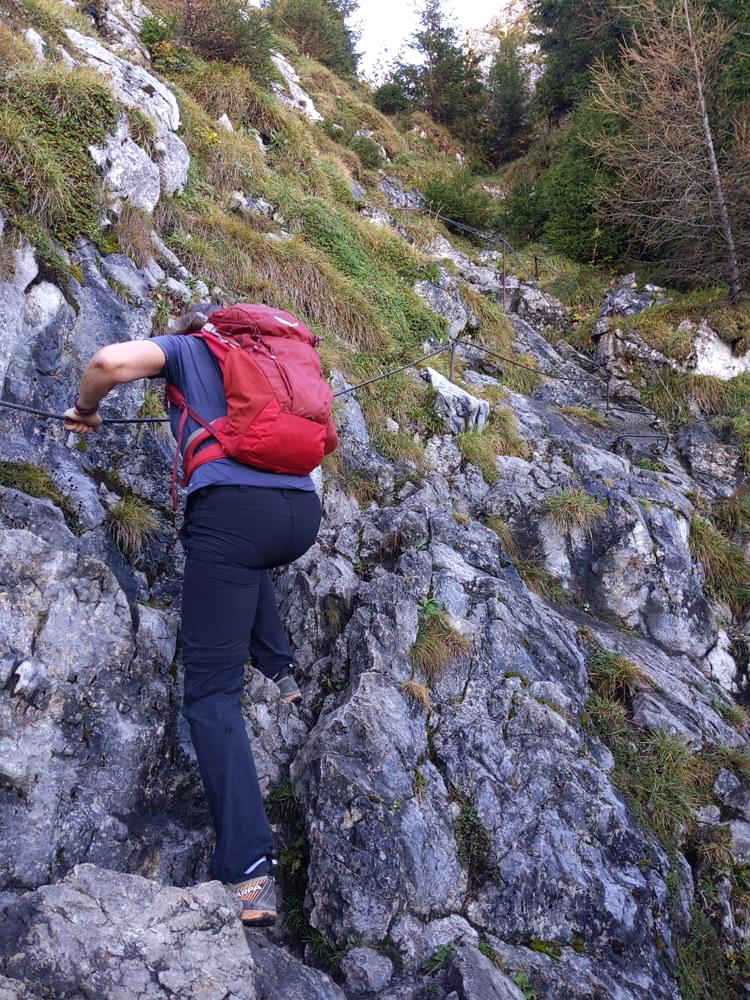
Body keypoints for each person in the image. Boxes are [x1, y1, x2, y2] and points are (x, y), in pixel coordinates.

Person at [63, 304, 336, 927]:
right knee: (237, 561)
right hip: (300, 514)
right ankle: (281, 669)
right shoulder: (265, 358)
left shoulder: (187, 351)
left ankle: (250, 873)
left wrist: (85, 409)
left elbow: (108, 361)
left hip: (234, 515)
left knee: (211, 698)